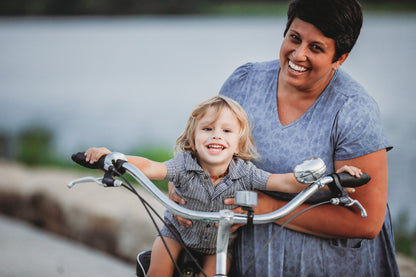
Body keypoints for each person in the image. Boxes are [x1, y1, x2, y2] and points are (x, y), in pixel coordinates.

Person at [169, 0, 400, 276]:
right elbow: (210, 154)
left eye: (316, 48)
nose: (298, 54)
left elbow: (366, 222)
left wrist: (266, 208)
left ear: (340, 58)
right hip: (250, 260)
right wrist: (184, 185)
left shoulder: (354, 109)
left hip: (330, 265)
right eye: (294, 38)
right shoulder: (244, 83)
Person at [85, 95, 362, 277]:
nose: (216, 135)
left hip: (219, 242)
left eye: (227, 131)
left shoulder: (245, 172)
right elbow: (150, 167)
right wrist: (116, 158)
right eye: (207, 129)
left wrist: (328, 179)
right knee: (158, 270)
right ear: (193, 139)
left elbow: (283, 182)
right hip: (177, 232)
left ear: (238, 144)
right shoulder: (183, 164)